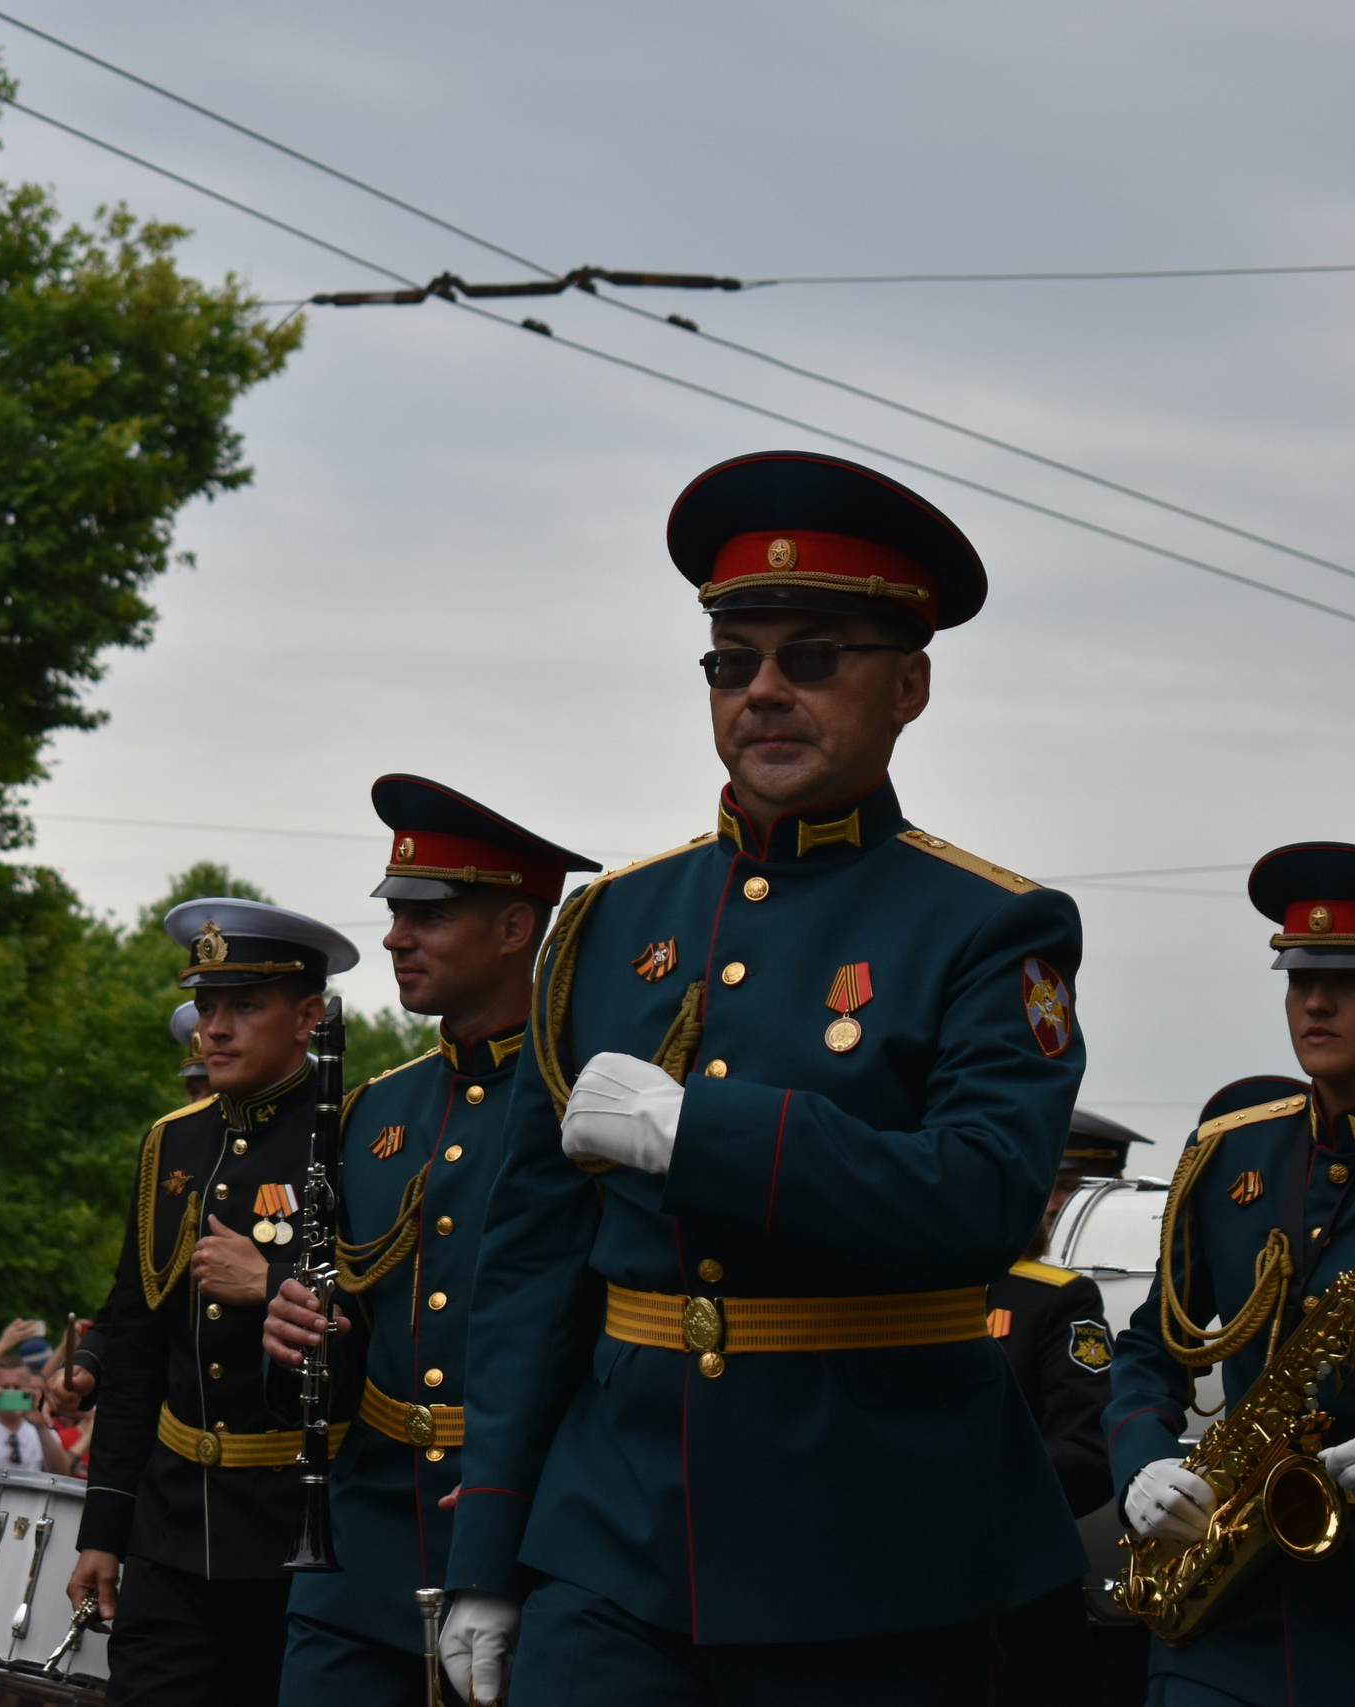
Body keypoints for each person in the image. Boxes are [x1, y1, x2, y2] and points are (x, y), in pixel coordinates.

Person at [440, 452, 1090, 1707]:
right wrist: (489, 1549)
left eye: (813, 655)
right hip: (614, 1541)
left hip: (877, 1551)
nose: (766, 692)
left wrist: (700, 1133)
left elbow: (983, 1200)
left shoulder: (987, 927)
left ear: (908, 686)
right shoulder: (608, 923)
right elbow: (527, 1267)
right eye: (733, 662)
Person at [1109, 843, 1355, 1704]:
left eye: (1351, 980)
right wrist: (1141, 1460)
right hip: (1221, 1613)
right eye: (1298, 976)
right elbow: (1151, 1347)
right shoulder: (1228, 1149)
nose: (1315, 1000)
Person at [262, 774, 594, 1706]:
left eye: (428, 913)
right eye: (395, 911)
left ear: (516, 928)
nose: (396, 937)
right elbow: (336, 1346)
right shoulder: (375, 1110)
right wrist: (293, 1334)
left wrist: (518, 1495)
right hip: (360, 1554)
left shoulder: (581, 1103)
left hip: (531, 1543)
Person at [66, 898, 360, 1707]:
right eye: (207, 1006)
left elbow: (381, 1339)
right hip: (168, 1532)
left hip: (298, 1540)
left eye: (244, 1006)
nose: (215, 1029)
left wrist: (267, 1283)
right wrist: (103, 1528)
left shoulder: (357, 1134)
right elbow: (133, 1344)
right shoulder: (173, 1141)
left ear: (307, 1016)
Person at [985, 1109, 1134, 1707]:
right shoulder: (894, 1288)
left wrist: (982, 1517)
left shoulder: (1053, 1297)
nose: (1051, 1203)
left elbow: (1086, 1449)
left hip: (1015, 1594)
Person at [0, 1360, 73, 1500]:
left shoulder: (41, 1430)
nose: (11, 1392)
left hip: (25, 1516)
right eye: (4, 1387)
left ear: (29, 1389)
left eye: (17, 1387)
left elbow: (62, 1475)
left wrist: (40, 1426)